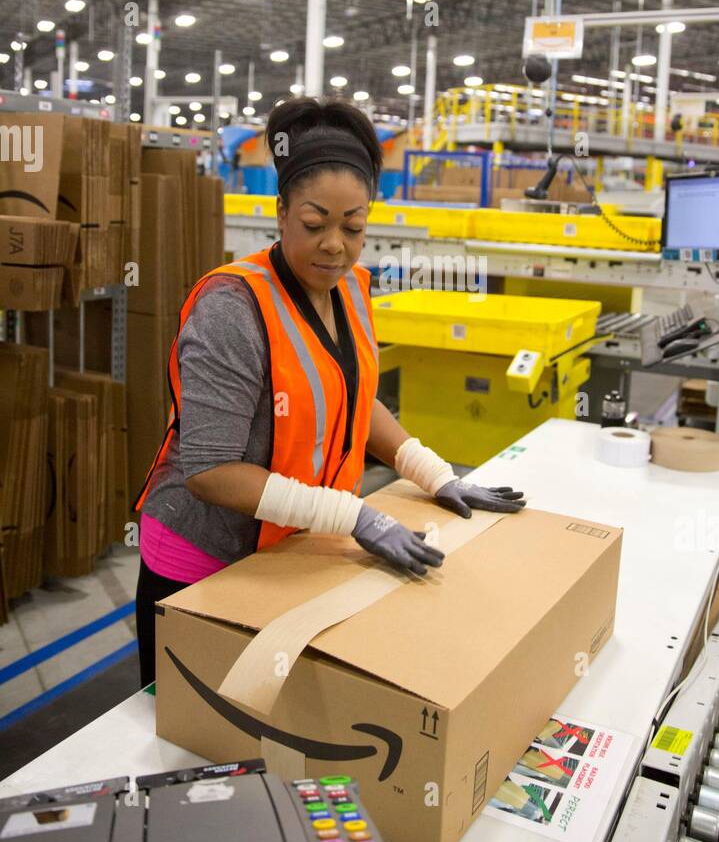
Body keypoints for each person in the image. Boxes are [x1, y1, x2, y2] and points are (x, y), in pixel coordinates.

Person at [133, 98, 524, 685]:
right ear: (282, 210)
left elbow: (354, 398)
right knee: (190, 735)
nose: (335, 246)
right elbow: (210, 470)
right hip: (203, 562)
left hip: (290, 544)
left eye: (354, 227)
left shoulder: (350, 291)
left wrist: (434, 473)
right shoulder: (232, 308)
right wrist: (355, 515)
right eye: (315, 225)